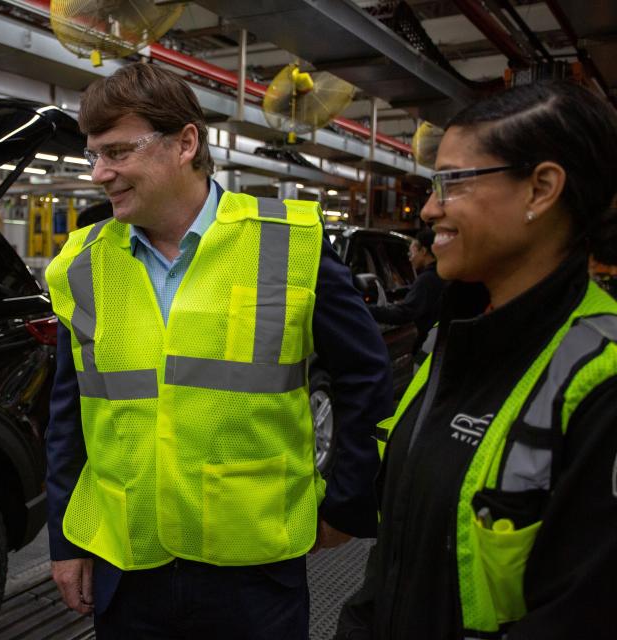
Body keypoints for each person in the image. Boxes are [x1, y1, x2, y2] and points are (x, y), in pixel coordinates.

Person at [45, 63, 392, 639]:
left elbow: (365, 375)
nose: (100, 174)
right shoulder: (81, 263)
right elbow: (68, 415)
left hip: (251, 569)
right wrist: (65, 540)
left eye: (118, 152)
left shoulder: (287, 241)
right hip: (126, 565)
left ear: (185, 143)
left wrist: (347, 502)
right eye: (94, 156)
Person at [336, 81, 617, 639]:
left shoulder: (600, 382)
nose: (432, 208)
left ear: (541, 189)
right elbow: (396, 554)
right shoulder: (453, 341)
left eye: (453, 183)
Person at [367, 227, 444, 363]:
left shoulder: (427, 280)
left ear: (424, 251)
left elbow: (405, 313)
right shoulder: (441, 275)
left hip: (429, 349)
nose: (409, 258)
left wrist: (367, 309)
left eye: (411, 252)